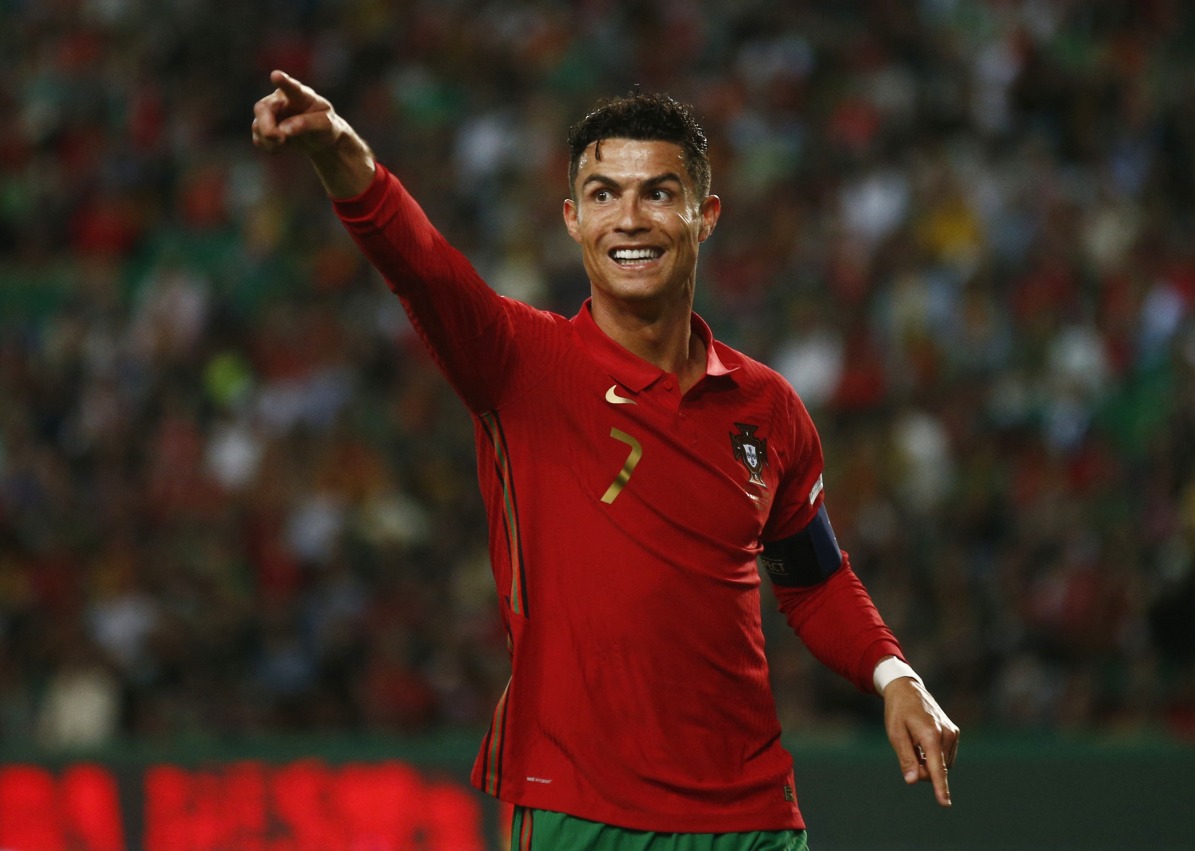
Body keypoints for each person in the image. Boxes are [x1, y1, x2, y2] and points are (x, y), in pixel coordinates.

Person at [252, 69, 959, 851]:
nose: (629, 218)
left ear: (705, 216)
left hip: (751, 816)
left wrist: (897, 676)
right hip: (581, 812)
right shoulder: (519, 363)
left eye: (657, 192)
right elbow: (419, 263)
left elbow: (814, 579)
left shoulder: (768, 408)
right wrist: (336, 147)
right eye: (602, 194)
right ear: (571, 219)